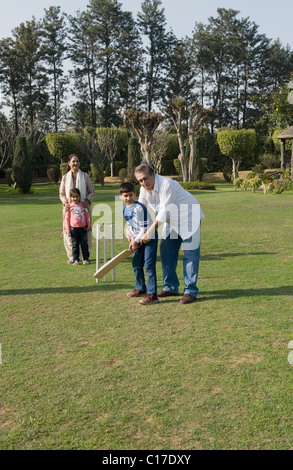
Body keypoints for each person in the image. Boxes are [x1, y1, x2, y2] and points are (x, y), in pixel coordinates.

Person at [135, 164, 204, 304]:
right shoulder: (144, 190)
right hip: (171, 222)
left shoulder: (167, 184)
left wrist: (150, 231)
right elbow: (141, 212)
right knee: (166, 252)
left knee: (190, 254)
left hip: (190, 218)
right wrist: (135, 236)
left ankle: (190, 291)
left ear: (153, 174)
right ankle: (171, 287)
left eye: (145, 179)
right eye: (140, 181)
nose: (143, 183)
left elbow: (165, 211)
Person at [119, 182, 159, 305]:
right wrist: (131, 239)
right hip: (138, 238)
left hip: (149, 237)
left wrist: (136, 241)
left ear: (135, 194)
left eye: (131, 195)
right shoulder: (124, 208)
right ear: (121, 196)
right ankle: (140, 288)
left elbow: (143, 228)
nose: (128, 198)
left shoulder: (139, 208)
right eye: (125, 195)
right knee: (136, 263)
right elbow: (130, 226)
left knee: (149, 265)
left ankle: (152, 295)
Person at [59, 154, 94, 263]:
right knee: (69, 232)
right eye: (73, 161)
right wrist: (65, 202)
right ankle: (72, 256)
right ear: (69, 163)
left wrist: (87, 201)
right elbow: (61, 194)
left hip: (83, 209)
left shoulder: (85, 176)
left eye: (77, 161)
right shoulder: (65, 177)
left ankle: (85, 256)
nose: (75, 163)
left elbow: (91, 191)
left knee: (85, 234)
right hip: (69, 209)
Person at [66, 188, 91, 266]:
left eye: (77, 196)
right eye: (73, 197)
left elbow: (87, 215)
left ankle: (85, 258)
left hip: (83, 227)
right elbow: (67, 219)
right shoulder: (69, 207)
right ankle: (76, 259)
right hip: (73, 228)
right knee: (75, 244)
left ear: (79, 197)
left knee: (84, 244)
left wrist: (89, 224)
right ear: (70, 197)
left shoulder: (82, 205)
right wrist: (68, 230)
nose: (75, 198)